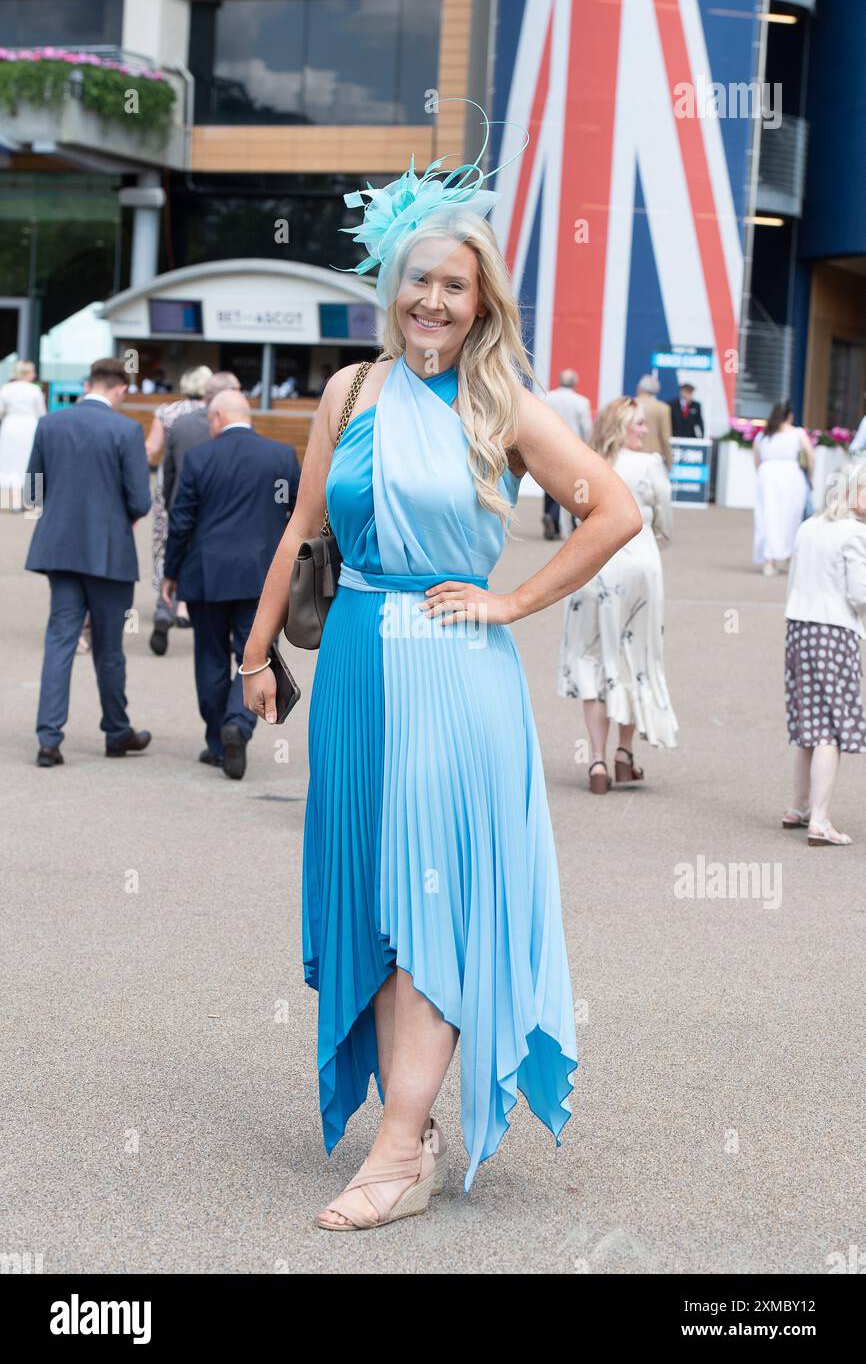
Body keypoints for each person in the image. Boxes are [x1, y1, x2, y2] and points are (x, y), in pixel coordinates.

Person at [239, 109, 641, 1231]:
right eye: (418, 281)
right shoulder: (350, 394)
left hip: (455, 677)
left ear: (480, 300)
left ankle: (401, 1146)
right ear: (393, 286)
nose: (432, 302)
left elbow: (610, 510)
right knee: (370, 890)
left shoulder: (503, 401)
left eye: (454, 287)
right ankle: (402, 1128)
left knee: (430, 900)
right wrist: (254, 651)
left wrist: (512, 599)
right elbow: (300, 534)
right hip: (362, 668)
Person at [161, 389, 301, 779]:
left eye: (210, 419)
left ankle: (216, 740)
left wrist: (170, 573)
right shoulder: (281, 456)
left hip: (206, 576)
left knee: (209, 656)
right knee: (256, 654)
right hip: (262, 576)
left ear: (219, 416)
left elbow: (181, 521)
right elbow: (298, 513)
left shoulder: (199, 458)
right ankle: (238, 723)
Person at [24, 357, 152, 766]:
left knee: (60, 640)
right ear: (120, 388)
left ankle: (48, 738)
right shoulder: (126, 429)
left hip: (59, 549)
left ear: (88, 384)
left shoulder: (50, 424)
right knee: (109, 648)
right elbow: (140, 500)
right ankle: (116, 731)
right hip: (109, 552)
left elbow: (32, 492)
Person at [558, 397, 679, 790]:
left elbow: (568, 516)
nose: (646, 431)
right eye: (640, 424)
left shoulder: (587, 463)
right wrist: (654, 535)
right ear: (622, 427)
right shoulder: (649, 465)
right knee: (634, 655)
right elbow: (667, 520)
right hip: (638, 565)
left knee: (592, 656)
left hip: (592, 564)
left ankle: (596, 762)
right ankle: (624, 756)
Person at [782, 463, 866, 845]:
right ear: (851, 492)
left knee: (807, 725)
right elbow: (860, 593)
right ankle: (820, 819)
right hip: (835, 631)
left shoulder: (808, 527)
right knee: (831, 728)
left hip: (798, 627)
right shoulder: (854, 533)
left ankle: (798, 806)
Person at [149, 371, 242, 656]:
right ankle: (198, 614)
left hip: (181, 505)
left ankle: (164, 609)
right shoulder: (235, 425)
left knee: (173, 561)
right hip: (219, 511)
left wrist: (167, 502)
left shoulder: (176, 421)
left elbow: (167, 469)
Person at [145, 366, 213, 655]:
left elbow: (151, 447)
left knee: (168, 543)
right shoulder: (215, 413)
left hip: (171, 486)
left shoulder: (167, 412)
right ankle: (188, 605)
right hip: (208, 488)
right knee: (200, 543)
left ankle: (166, 601)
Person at [753, 400, 813, 576]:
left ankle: (769, 560)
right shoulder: (797, 433)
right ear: (789, 415)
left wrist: (763, 474)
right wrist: (809, 476)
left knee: (767, 517)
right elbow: (810, 455)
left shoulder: (763, 436)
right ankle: (790, 555)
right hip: (791, 476)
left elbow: (756, 460)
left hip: (767, 476)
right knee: (791, 517)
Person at [540, 369, 592, 539]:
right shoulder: (581, 402)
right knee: (568, 486)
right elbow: (587, 428)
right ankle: (557, 518)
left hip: (548, 446)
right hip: (571, 448)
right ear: (575, 383)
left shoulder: (548, 397)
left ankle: (550, 515)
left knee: (548, 484)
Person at [0, 360, 47, 509]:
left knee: (11, 462)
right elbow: (42, 413)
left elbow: (1, 411)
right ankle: (33, 502)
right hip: (29, 426)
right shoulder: (35, 390)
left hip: (10, 426)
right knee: (31, 460)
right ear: (28, 373)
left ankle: (12, 502)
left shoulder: (6, 388)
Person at [635, 374, 673, 469]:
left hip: (632, 456)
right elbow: (665, 437)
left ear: (639, 388)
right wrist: (669, 461)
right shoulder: (663, 408)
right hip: (654, 458)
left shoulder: (628, 404)